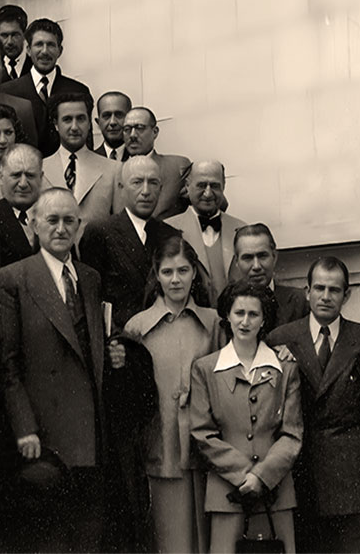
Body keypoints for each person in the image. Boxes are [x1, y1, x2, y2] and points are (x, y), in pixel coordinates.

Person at [0, 187, 107, 552]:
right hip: (43, 429)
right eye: (52, 220)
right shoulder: (13, 279)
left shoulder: (90, 278)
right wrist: (24, 427)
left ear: (80, 225)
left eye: (69, 221)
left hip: (90, 428)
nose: (61, 229)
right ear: (34, 223)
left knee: (87, 534)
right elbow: (7, 364)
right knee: (49, 538)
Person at [267, 257, 360, 553]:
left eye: (334, 290)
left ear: (347, 295)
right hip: (300, 475)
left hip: (349, 478)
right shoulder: (280, 339)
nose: (326, 296)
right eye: (319, 288)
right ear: (307, 291)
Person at [124, 235, 221, 553]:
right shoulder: (137, 327)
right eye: (167, 272)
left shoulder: (214, 323)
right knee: (171, 541)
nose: (175, 279)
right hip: (160, 446)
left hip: (205, 447)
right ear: (157, 275)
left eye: (183, 270)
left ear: (194, 272)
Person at [191, 280, 303, 553]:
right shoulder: (205, 369)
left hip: (275, 492)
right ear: (227, 316)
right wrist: (244, 475)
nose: (245, 321)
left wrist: (262, 476)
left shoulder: (285, 368)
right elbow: (202, 433)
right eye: (239, 313)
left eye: (253, 314)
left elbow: (292, 433)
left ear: (264, 319)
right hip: (227, 493)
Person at [79, 156, 181, 332]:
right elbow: (90, 298)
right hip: (120, 339)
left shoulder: (170, 235)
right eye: (137, 182)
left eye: (153, 183)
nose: (146, 191)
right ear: (121, 188)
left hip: (164, 334)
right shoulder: (100, 232)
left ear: (161, 188)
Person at [0, 18, 91, 156]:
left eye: (51, 45)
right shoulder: (8, 92)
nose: (44, 51)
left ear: (60, 51)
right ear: (28, 50)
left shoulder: (78, 91)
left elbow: (86, 145)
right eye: (39, 44)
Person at [165, 160, 246, 302]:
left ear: (224, 186)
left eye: (214, 186)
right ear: (187, 186)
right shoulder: (167, 230)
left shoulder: (242, 230)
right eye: (201, 185)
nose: (208, 194)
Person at [41, 93, 121, 228]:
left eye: (80, 119)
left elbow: (120, 226)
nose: (74, 127)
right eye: (67, 119)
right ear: (56, 124)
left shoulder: (114, 170)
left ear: (89, 123)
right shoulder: (39, 170)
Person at [234, 223, 309, 329]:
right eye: (248, 258)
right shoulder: (229, 303)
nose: (256, 266)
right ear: (236, 262)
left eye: (262, 256)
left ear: (274, 257)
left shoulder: (299, 302)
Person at [122, 106, 191, 218]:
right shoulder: (115, 171)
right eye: (127, 129)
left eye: (140, 128)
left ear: (155, 132)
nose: (132, 135)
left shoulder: (178, 167)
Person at [0, 143, 42, 268]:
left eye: (30, 175)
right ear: (1, 177)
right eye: (16, 175)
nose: (23, 184)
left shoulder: (54, 215)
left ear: (41, 178)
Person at [0, 4, 31, 80]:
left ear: (25, 35)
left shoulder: (36, 67)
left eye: (15, 35)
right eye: (4, 36)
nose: (10, 42)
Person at [94, 91, 131, 160]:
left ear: (130, 119)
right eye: (106, 116)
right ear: (98, 122)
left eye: (119, 115)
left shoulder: (143, 159)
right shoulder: (88, 161)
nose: (112, 122)